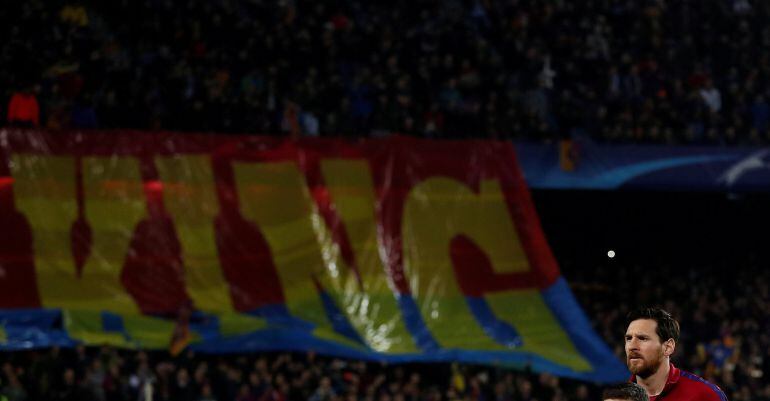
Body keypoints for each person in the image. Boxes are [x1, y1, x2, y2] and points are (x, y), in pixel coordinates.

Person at [624, 307, 728, 401]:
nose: (632, 346)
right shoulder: (619, 397)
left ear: (668, 347)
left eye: (643, 338)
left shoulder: (704, 395)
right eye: (628, 338)